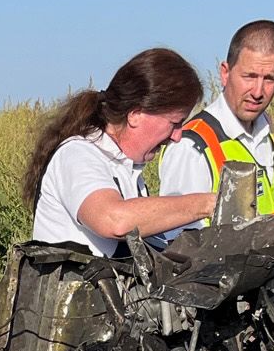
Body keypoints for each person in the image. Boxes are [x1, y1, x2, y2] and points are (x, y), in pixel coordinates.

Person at [24, 49, 216, 256]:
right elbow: (114, 221)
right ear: (135, 114)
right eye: (174, 123)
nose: (177, 136)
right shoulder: (77, 154)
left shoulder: (125, 167)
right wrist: (207, 203)